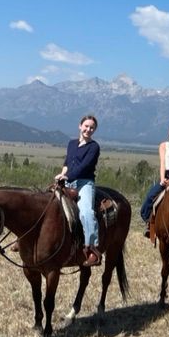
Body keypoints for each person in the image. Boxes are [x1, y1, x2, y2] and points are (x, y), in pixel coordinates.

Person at [54, 114, 102, 267]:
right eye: (86, 126)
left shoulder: (94, 147)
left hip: (84, 183)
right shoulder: (71, 144)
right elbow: (68, 162)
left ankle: (92, 248)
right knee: (45, 202)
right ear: (80, 126)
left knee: (86, 212)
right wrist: (62, 175)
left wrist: (66, 177)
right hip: (67, 180)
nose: (88, 129)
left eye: (92, 127)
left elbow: (84, 167)